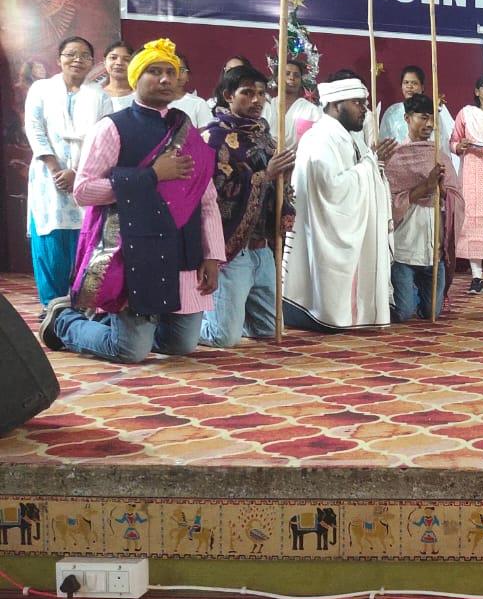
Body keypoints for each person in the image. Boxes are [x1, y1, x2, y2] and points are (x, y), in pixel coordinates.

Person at [39, 38, 224, 363]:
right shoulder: (112, 127)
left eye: (171, 72)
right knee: (129, 351)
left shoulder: (187, 130)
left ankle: (118, 325)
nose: (165, 79)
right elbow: (84, 190)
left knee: (180, 345)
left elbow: (206, 199)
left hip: (182, 247)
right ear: (136, 77)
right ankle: (64, 320)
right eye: (154, 71)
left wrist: (213, 256)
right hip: (135, 251)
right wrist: (151, 175)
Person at [283, 73, 396, 331]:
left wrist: (373, 165)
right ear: (335, 105)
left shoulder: (344, 136)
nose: (364, 110)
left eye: (364, 103)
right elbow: (332, 189)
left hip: (342, 225)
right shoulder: (320, 138)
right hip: (324, 229)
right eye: (357, 103)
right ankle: (325, 314)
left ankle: (349, 313)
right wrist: (371, 165)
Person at [198, 64, 295, 348]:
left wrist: (283, 178)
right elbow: (216, 191)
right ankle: (179, 325)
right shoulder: (213, 138)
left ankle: (230, 314)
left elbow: (277, 189)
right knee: (223, 337)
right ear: (228, 95)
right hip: (232, 249)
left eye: (262, 94)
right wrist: (266, 175)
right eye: (248, 93)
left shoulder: (265, 137)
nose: (257, 100)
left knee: (269, 329)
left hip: (261, 248)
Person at [24, 35, 113, 312]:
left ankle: (77, 306)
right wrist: (56, 169)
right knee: (50, 242)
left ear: (92, 62)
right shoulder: (41, 89)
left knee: (83, 239)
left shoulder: (101, 96)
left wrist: (76, 172)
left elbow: (103, 139)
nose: (77, 59)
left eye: (85, 55)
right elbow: (34, 128)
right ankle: (51, 305)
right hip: (47, 176)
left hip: (85, 177)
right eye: (71, 54)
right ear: (59, 59)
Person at [385, 94, 463, 322]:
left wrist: (443, 191)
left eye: (432, 119)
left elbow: (457, 199)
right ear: (407, 118)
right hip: (404, 249)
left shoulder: (439, 157)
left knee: (431, 313)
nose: (429, 124)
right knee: (403, 313)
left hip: (433, 251)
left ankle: (415, 293)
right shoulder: (395, 157)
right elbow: (388, 204)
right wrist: (425, 187)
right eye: (423, 117)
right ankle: (400, 292)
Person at [450, 73, 483, 294]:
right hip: (472, 171)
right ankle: (476, 275)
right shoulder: (466, 113)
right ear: (477, 91)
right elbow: (453, 141)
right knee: (472, 221)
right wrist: (459, 146)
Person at [379, 65, 456, 166]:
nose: (409, 86)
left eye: (414, 83)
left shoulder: (431, 111)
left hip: (426, 162)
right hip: (398, 164)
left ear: (422, 87)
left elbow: (440, 142)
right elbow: (384, 141)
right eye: (406, 82)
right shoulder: (392, 112)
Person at [263, 59, 323, 151]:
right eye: (287, 74)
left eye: (296, 75)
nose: (292, 78)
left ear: (301, 81)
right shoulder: (267, 107)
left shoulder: (310, 110)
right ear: (277, 79)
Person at [170, 54, 214, 128]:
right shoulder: (153, 102)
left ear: (187, 76)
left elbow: (207, 134)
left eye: (181, 70)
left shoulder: (198, 104)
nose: (177, 74)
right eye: (172, 70)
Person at [101, 41, 134, 111]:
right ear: (104, 61)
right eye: (113, 58)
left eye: (126, 59)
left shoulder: (141, 96)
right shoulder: (96, 95)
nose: (119, 63)